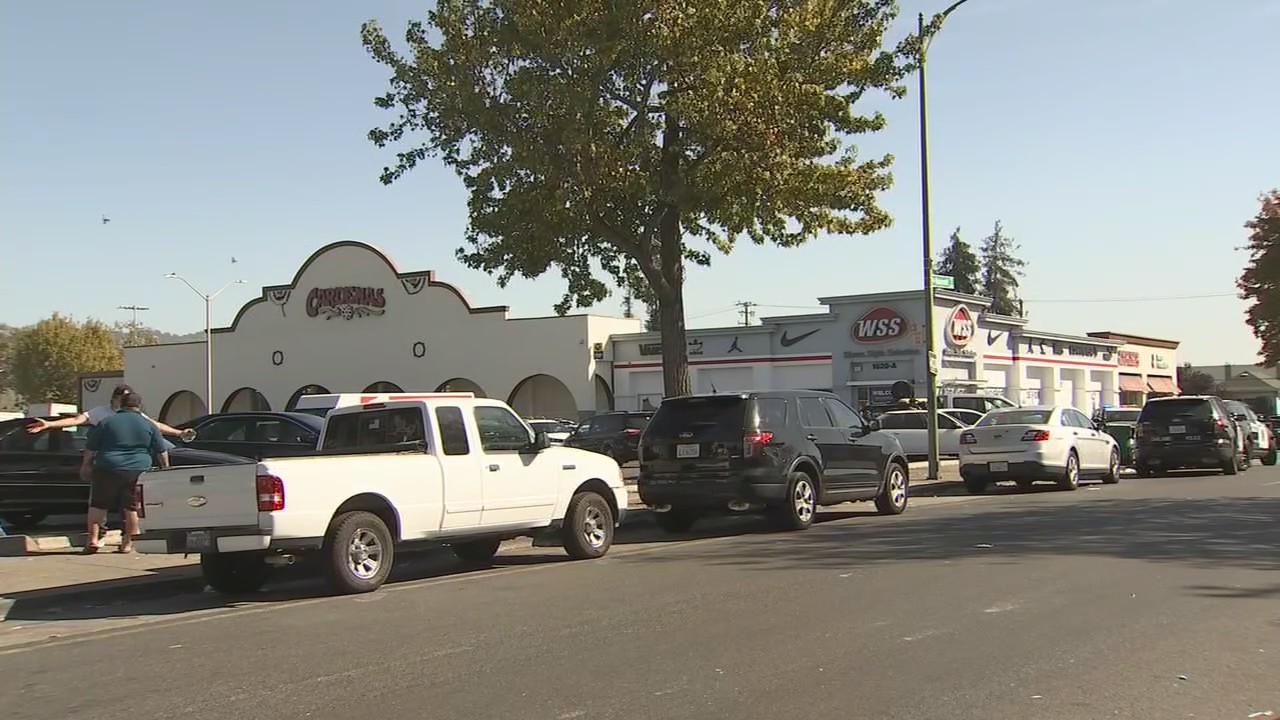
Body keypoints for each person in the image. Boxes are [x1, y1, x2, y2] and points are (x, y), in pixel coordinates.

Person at [82, 391, 170, 553]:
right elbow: (161, 450)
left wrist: (85, 466)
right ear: (139, 406)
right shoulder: (148, 424)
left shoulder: (107, 421)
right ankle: (128, 543)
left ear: (121, 404)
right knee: (132, 507)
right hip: (137, 469)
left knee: (98, 505)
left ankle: (93, 540)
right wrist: (165, 469)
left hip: (107, 467)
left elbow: (91, 447)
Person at [25, 384, 191, 439]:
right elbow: (76, 420)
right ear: (114, 398)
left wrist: (179, 433)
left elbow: (156, 426)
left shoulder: (136, 415)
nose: (126, 402)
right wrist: (49, 424)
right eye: (123, 398)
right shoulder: (100, 412)